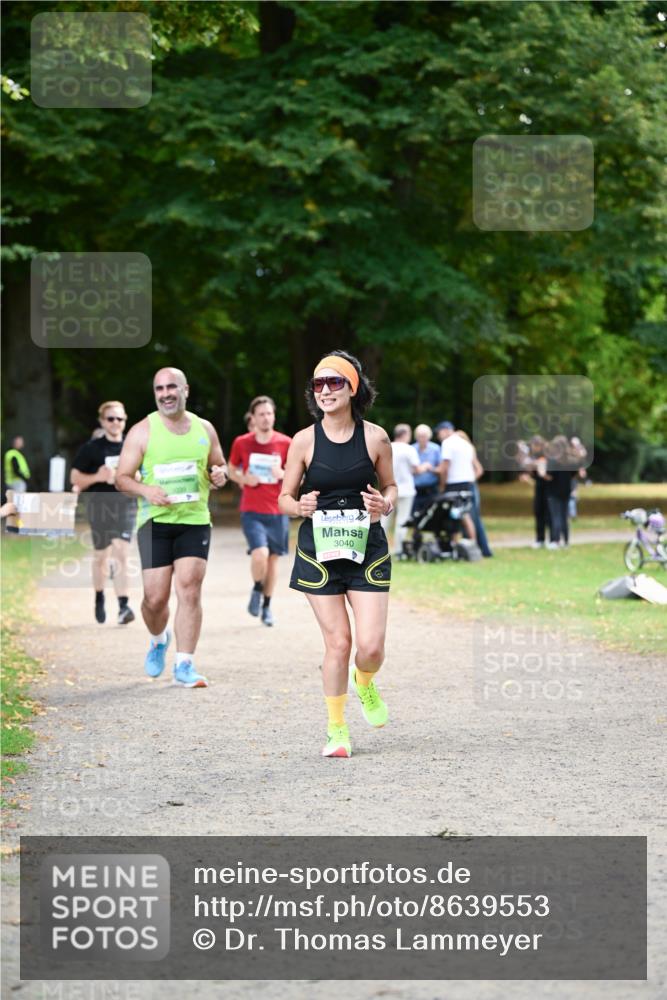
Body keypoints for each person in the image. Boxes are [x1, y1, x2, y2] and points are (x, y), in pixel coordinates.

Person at [279, 350, 397, 759]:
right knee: (339, 643)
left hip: (367, 550)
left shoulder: (376, 437)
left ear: (352, 387)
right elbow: (283, 499)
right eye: (318, 384)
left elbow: (392, 486)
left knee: (372, 647)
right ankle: (337, 729)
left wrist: (387, 504)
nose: (325, 391)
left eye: (334, 382)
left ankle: (364, 682)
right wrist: (300, 508)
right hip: (320, 552)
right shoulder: (304, 441)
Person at [116, 368, 228, 687]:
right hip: (155, 523)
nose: (165, 393)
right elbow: (121, 478)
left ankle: (185, 665)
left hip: (194, 520)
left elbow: (218, 464)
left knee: (189, 589)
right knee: (155, 599)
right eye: (159, 388)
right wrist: (147, 490)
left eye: (171, 387)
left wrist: (220, 474)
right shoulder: (142, 431)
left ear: (185, 390)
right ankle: (157, 638)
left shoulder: (204, 428)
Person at [71, 402, 137, 626]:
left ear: (125, 420)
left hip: (126, 505)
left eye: (119, 419)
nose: (115, 423)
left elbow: (145, 474)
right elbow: (75, 479)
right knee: (101, 556)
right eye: (110, 419)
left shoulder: (132, 445)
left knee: (121, 552)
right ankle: (99, 597)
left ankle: (123, 605)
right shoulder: (91, 449)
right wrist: (98, 477)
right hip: (98, 506)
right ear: (102, 421)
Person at [228, 396, 292, 627]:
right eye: (261, 414)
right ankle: (256, 588)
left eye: (269, 413)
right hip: (252, 510)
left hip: (278, 510)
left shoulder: (286, 443)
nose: (266, 418)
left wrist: (283, 474)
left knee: (273, 562)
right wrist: (243, 478)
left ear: (274, 416)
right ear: (253, 418)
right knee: (260, 554)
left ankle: (266, 607)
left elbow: (301, 474)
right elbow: (230, 468)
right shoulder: (242, 442)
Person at [381, 423, 419, 558]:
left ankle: (381, 549)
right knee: (402, 521)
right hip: (406, 490)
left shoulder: (387, 446)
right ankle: (398, 550)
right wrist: (425, 468)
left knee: (385, 520)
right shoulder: (409, 449)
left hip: (388, 489)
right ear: (405, 434)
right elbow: (416, 469)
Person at [436, 421, 477, 545]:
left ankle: (461, 542)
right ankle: (465, 542)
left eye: (439, 433)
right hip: (467, 482)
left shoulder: (447, 443)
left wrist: (441, 485)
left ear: (445, 430)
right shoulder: (466, 444)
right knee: (461, 513)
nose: (438, 436)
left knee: (458, 514)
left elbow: (445, 468)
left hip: (454, 483)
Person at [456, 430, 493, 558]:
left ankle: (481, 548)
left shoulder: (468, 450)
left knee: (473, 517)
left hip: (470, 486)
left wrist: (471, 479)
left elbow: (479, 469)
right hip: (467, 485)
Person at [411, 424, 441, 518]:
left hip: (431, 488)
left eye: (424, 436)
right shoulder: (411, 449)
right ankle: (416, 532)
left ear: (429, 436)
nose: (422, 438)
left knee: (433, 513)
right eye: (419, 436)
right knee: (415, 513)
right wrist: (421, 468)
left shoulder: (436, 449)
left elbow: (441, 469)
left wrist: (430, 468)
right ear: (416, 437)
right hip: (416, 488)